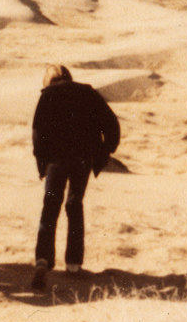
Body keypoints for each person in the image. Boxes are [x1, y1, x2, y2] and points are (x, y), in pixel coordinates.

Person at [30, 64, 121, 289]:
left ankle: (43, 258)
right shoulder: (88, 93)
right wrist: (103, 152)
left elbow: (38, 133)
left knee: (50, 205)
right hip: (82, 159)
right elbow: (112, 125)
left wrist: (42, 163)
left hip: (56, 161)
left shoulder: (47, 96)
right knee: (74, 204)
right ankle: (73, 262)